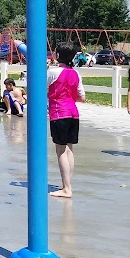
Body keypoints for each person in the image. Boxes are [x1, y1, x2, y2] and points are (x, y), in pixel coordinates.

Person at [47, 42, 85, 198]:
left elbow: (39, 88)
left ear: (57, 55)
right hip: (73, 114)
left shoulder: (52, 72)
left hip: (59, 113)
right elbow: (82, 97)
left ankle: (66, 188)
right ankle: (68, 185)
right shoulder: (76, 73)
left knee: (61, 150)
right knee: (69, 149)